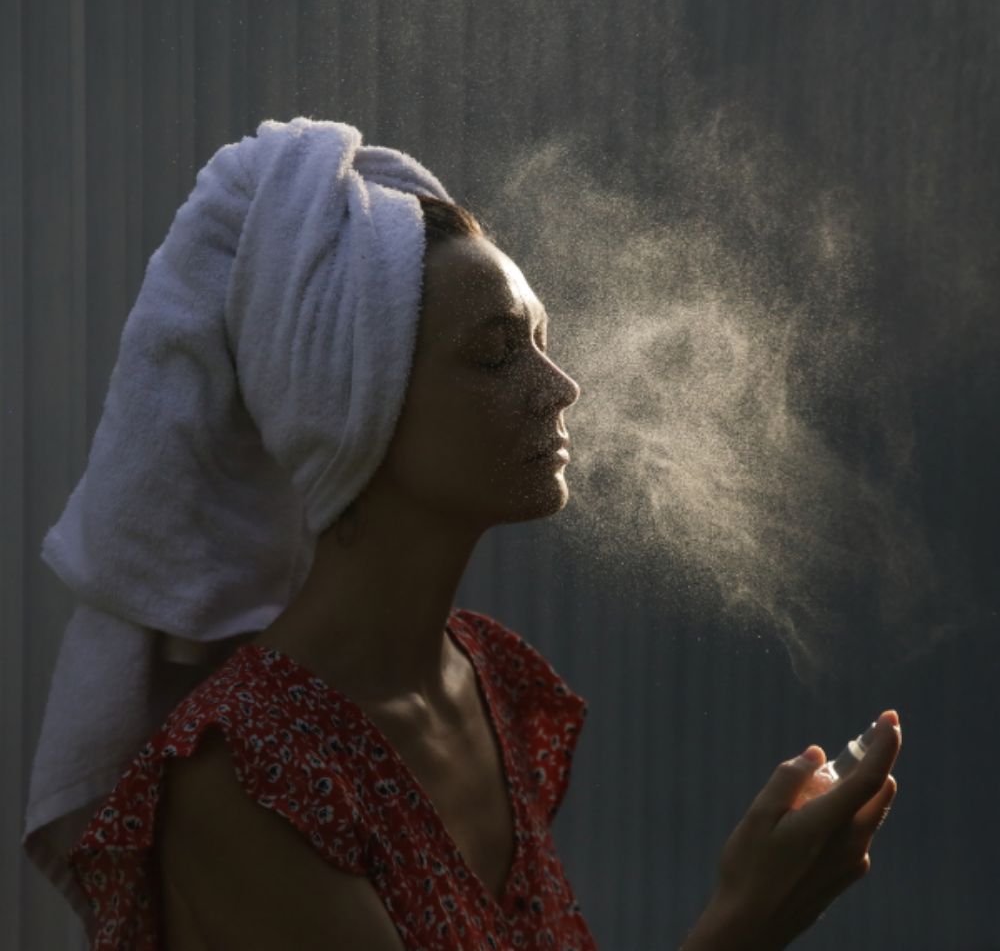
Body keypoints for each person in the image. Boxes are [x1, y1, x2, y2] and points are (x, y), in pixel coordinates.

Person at [50, 121, 899, 951]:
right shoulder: (244, 778)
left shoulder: (489, 679)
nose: (559, 386)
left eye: (540, 341)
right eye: (497, 355)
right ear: (355, 408)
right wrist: (749, 917)